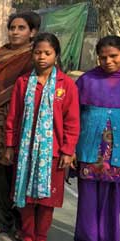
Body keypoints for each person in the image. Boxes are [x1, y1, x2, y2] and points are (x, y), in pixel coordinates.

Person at [5, 32, 79, 241]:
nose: (42, 57)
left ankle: (41, 236)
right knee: (26, 197)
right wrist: (11, 145)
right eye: (38, 52)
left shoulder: (66, 85)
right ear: (32, 54)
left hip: (53, 153)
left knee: (47, 200)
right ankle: (28, 234)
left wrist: (68, 150)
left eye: (48, 53)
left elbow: (72, 121)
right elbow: (14, 115)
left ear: (56, 55)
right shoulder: (23, 83)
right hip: (25, 151)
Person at [0, 11, 40, 236]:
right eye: (12, 27)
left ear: (32, 32)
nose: (15, 32)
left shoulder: (36, 55)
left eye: (21, 28)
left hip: (24, 121)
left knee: (20, 171)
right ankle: (0, 218)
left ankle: (20, 222)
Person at [74, 35, 120, 241]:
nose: (108, 61)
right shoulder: (86, 81)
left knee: (116, 201)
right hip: (90, 152)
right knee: (88, 201)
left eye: (114, 56)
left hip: (117, 155)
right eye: (103, 57)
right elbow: (73, 117)